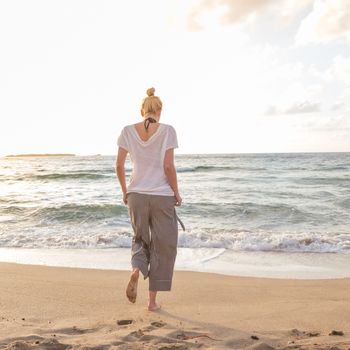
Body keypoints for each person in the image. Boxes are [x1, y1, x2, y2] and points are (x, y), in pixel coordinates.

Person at [116, 87, 182, 311]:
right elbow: (167, 166)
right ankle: (152, 303)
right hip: (161, 196)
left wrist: (126, 190)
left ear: (141, 110)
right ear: (160, 111)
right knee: (162, 246)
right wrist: (176, 192)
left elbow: (119, 165)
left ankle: (136, 270)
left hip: (136, 195)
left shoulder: (127, 131)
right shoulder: (168, 131)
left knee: (140, 239)